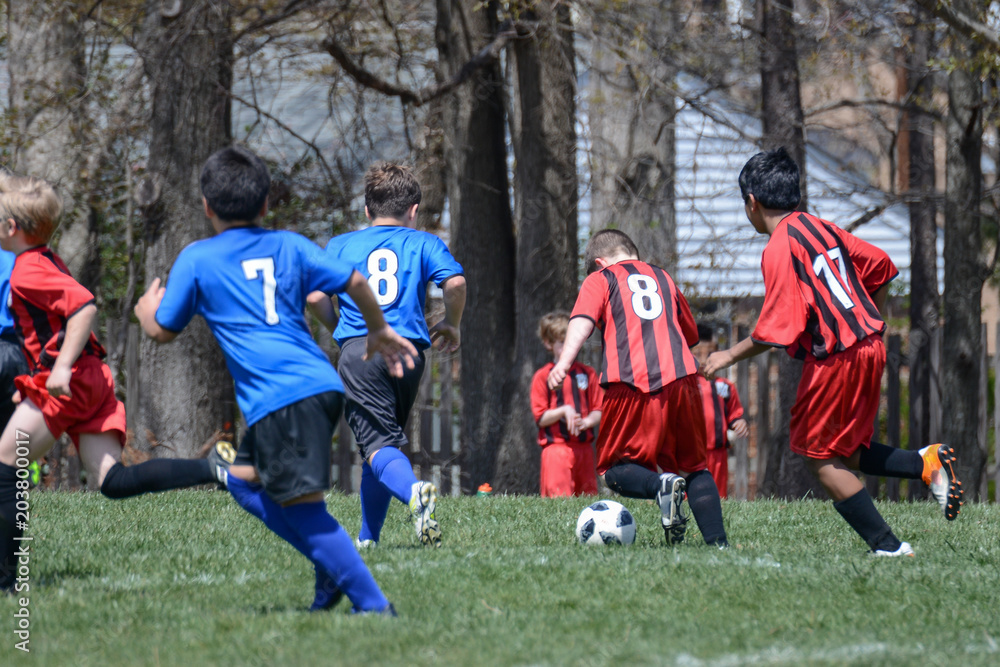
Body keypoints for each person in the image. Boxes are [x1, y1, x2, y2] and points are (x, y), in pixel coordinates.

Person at [136, 146, 417, 614]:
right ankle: (329, 568)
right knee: (244, 483)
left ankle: (371, 603)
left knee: (304, 510)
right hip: (316, 387)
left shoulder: (196, 258)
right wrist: (379, 328)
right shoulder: (289, 244)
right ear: (266, 204)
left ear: (206, 207)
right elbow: (354, 280)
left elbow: (164, 330)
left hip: (284, 399)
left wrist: (146, 313)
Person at [702, 147, 963, 557]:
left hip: (838, 357)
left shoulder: (779, 247)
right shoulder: (821, 227)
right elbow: (879, 264)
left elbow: (775, 328)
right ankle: (924, 464)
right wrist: (858, 316)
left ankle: (889, 548)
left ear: (752, 202)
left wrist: (726, 356)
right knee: (846, 451)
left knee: (818, 458)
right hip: (869, 345)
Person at [0, 169, 231, 594]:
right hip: (90, 380)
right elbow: (49, 329)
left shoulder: (27, 270)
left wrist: (61, 368)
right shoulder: (42, 257)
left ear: (11, 228)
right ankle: (213, 468)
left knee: (5, 460)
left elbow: (83, 307)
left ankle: (8, 581)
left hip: (72, 381)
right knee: (111, 481)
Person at [548, 229, 729, 548]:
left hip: (631, 380)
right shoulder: (663, 277)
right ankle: (718, 544)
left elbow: (582, 319)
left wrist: (563, 363)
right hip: (684, 379)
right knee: (695, 467)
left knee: (613, 469)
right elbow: (688, 334)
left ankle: (661, 484)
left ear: (600, 263)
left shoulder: (601, 278)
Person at [319, 162, 465, 548]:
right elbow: (456, 283)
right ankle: (369, 539)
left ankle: (415, 493)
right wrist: (451, 322)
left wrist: (338, 327)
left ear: (367, 210)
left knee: (377, 443)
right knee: (381, 445)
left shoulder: (341, 245)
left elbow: (315, 295)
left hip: (363, 350)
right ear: (414, 210)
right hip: (410, 354)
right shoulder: (425, 243)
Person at [530, 311, 601, 497]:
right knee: (559, 504)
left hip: (584, 450)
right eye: (563, 343)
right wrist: (564, 411)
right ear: (549, 344)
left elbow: (598, 410)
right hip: (556, 450)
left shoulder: (588, 373)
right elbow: (541, 417)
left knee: (588, 502)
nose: (569, 347)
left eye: (572, 341)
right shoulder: (543, 376)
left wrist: (586, 422)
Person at [692, 324, 749, 498]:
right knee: (690, 494)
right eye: (697, 353)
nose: (703, 359)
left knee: (717, 496)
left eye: (708, 354)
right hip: (691, 453)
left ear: (716, 353)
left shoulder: (724, 386)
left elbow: (734, 414)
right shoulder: (685, 385)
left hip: (718, 454)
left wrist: (738, 422)